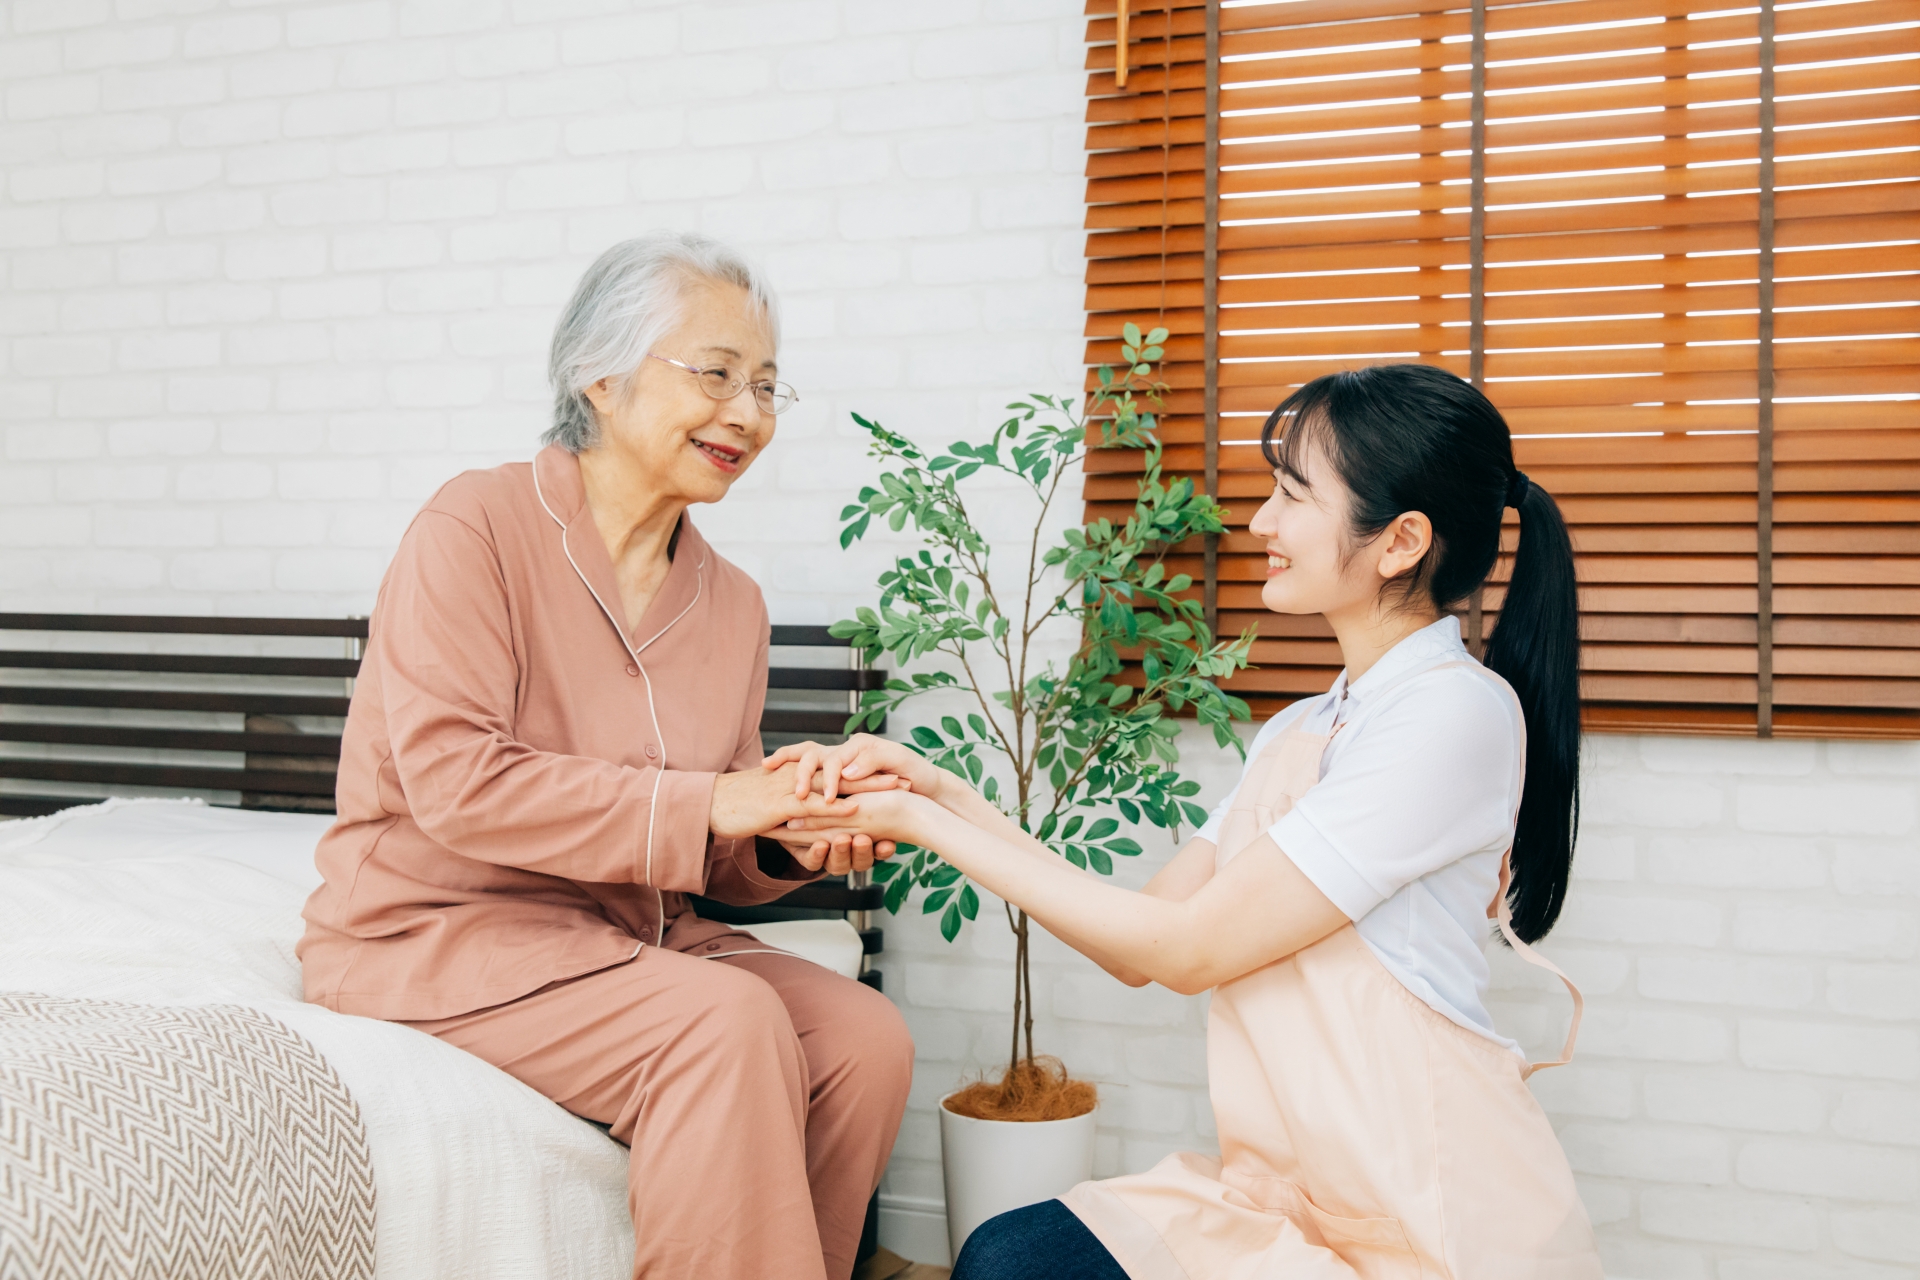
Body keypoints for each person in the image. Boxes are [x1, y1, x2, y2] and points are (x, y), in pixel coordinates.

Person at [773, 364, 1603, 1279]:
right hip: (1285, 1198)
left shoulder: (1453, 714)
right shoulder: (1303, 728)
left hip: (1427, 1220)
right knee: (1007, 1254)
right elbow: (1141, 944)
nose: (1261, 524)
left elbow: (1187, 952)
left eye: (1293, 495)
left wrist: (918, 822)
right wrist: (940, 794)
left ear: (1400, 540)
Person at [298, 232, 913, 1280]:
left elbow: (712, 849)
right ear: (600, 375)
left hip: (627, 934)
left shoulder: (735, 604)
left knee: (866, 1037)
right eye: (715, 374)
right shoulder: (474, 527)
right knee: (720, 1025)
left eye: (766, 386)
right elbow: (457, 783)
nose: (749, 413)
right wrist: (717, 798)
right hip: (440, 935)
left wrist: (794, 839)